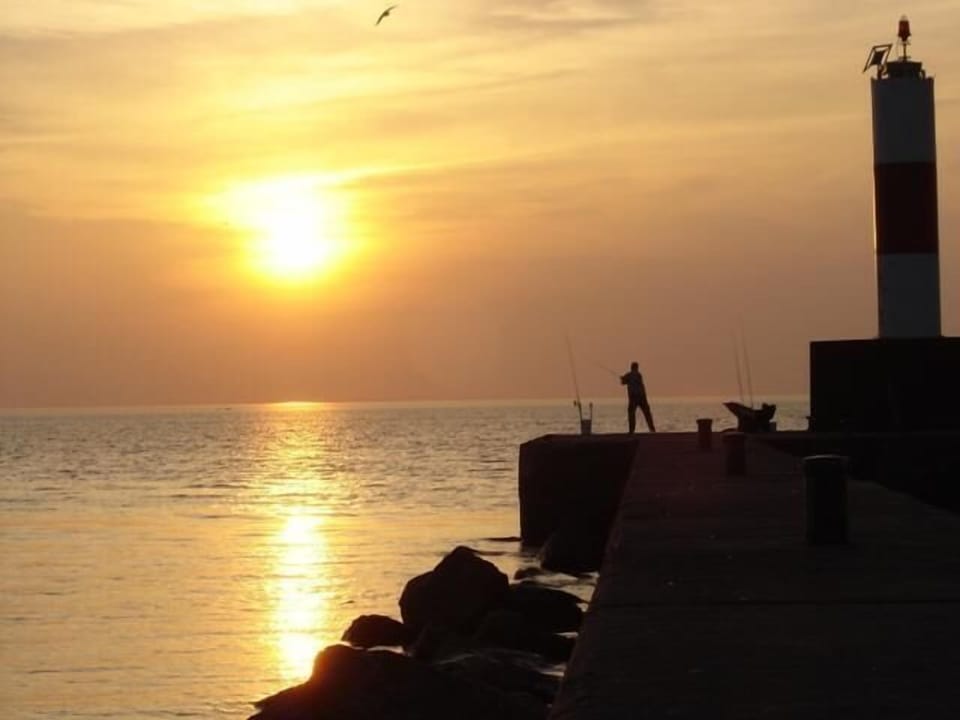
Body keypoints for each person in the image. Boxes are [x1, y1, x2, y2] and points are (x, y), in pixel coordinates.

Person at [620, 361, 656, 433]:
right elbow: (625, 382)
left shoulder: (629, 375)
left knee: (631, 414)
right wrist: (623, 379)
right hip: (642, 397)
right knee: (647, 414)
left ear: (631, 367)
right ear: (637, 368)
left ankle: (631, 431)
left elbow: (623, 382)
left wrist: (622, 378)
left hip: (634, 398)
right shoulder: (639, 375)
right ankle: (652, 430)